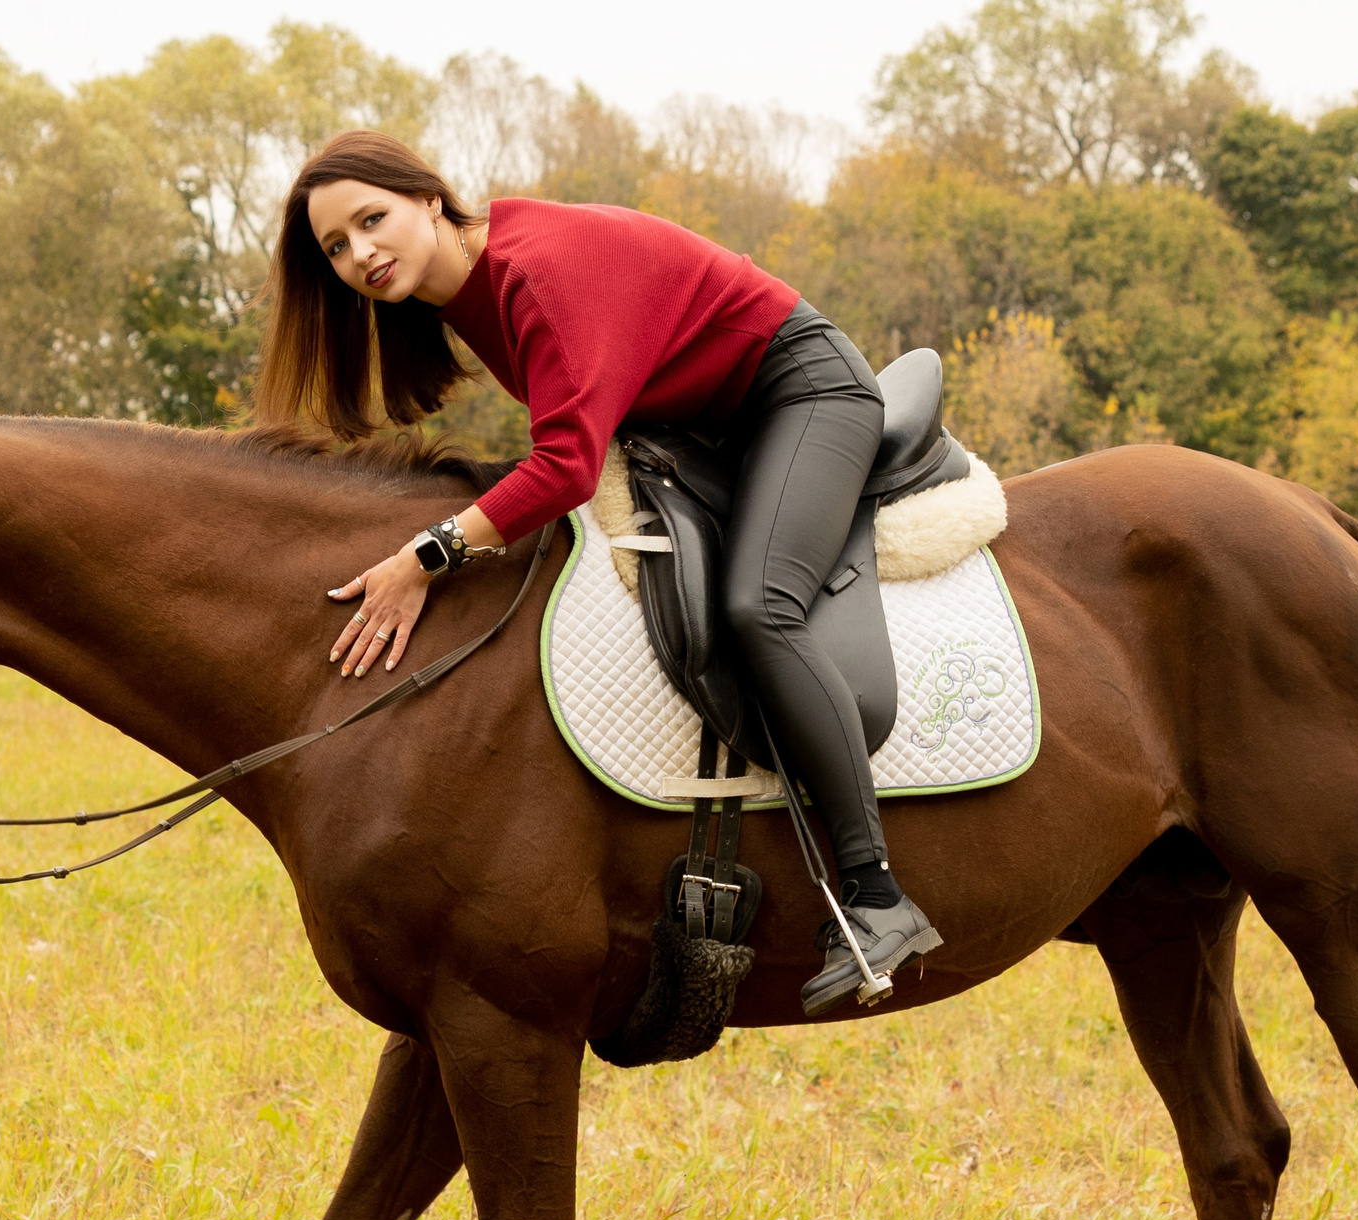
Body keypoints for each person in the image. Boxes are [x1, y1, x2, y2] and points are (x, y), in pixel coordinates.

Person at [255, 130, 940, 1014]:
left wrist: (426, 555)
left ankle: (879, 896)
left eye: (371, 219)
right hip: (707, 426)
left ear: (430, 198)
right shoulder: (462, 293)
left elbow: (566, 464)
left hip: (801, 391)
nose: (360, 255)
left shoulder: (531, 270)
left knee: (758, 607)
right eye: (336, 247)